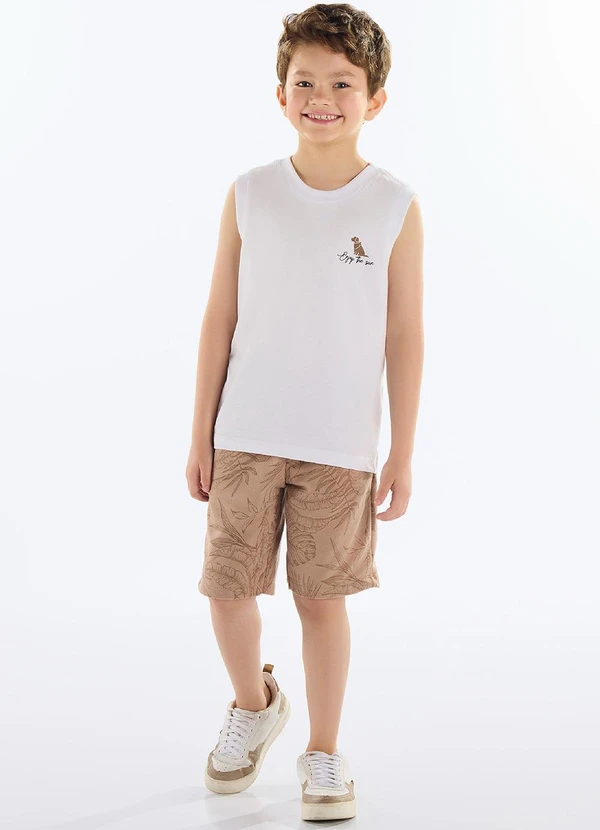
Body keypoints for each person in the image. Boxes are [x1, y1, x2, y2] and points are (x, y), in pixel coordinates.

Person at [186, 2, 424, 821]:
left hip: (339, 444)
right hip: (245, 431)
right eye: (305, 82)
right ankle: (254, 706)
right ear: (280, 93)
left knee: (323, 599)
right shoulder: (250, 193)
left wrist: (402, 450)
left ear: (375, 99)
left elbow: (404, 333)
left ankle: (323, 751)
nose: (322, 98)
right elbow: (219, 318)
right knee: (227, 589)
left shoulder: (393, 205)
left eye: (342, 84)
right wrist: (200, 433)